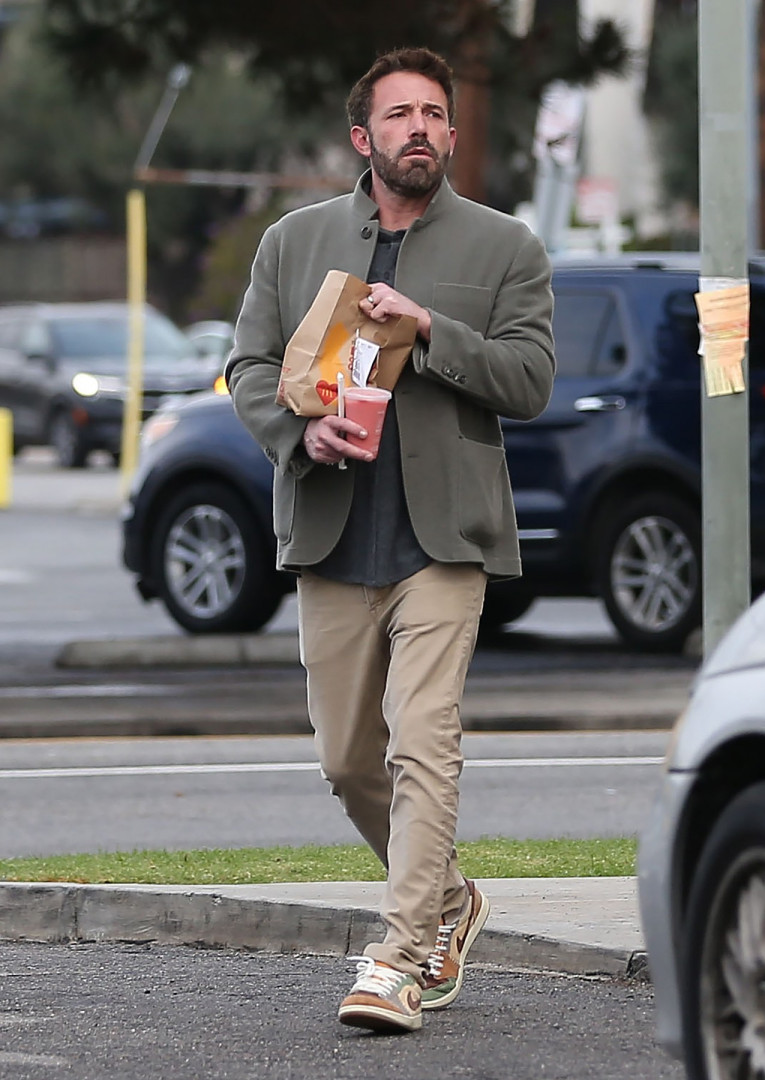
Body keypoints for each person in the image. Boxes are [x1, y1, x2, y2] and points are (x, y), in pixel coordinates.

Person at [226, 46, 555, 1034]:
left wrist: (431, 331)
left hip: (444, 539)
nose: (420, 128)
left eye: (434, 114)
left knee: (424, 743)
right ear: (363, 138)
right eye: (399, 114)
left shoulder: (505, 248)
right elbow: (246, 367)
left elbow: (530, 381)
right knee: (347, 759)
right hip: (330, 531)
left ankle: (401, 958)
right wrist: (298, 430)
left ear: (452, 135)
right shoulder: (296, 241)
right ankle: (453, 901)